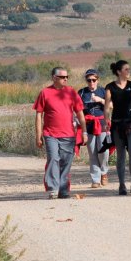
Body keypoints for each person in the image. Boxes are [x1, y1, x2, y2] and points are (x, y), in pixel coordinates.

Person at [34, 67, 87, 199]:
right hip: (50, 133)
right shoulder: (45, 93)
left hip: (68, 134)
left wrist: (84, 132)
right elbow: (39, 115)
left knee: (65, 161)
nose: (66, 79)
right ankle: (53, 188)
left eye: (67, 77)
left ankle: (63, 189)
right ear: (54, 78)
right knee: (53, 159)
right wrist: (38, 135)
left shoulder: (71, 92)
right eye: (63, 77)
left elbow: (80, 113)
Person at [104, 60, 131, 195]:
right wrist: (106, 121)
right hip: (117, 124)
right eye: (126, 69)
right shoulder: (110, 87)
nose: (129, 71)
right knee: (120, 155)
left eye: (129, 69)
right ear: (119, 72)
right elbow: (106, 107)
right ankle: (122, 184)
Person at [78, 69, 109, 188]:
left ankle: (104, 173)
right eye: (89, 80)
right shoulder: (81, 93)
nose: (91, 82)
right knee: (92, 153)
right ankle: (95, 179)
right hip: (88, 124)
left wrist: (100, 100)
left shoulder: (104, 91)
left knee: (103, 151)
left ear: (97, 80)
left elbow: (111, 105)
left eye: (93, 80)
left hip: (102, 124)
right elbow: (77, 109)